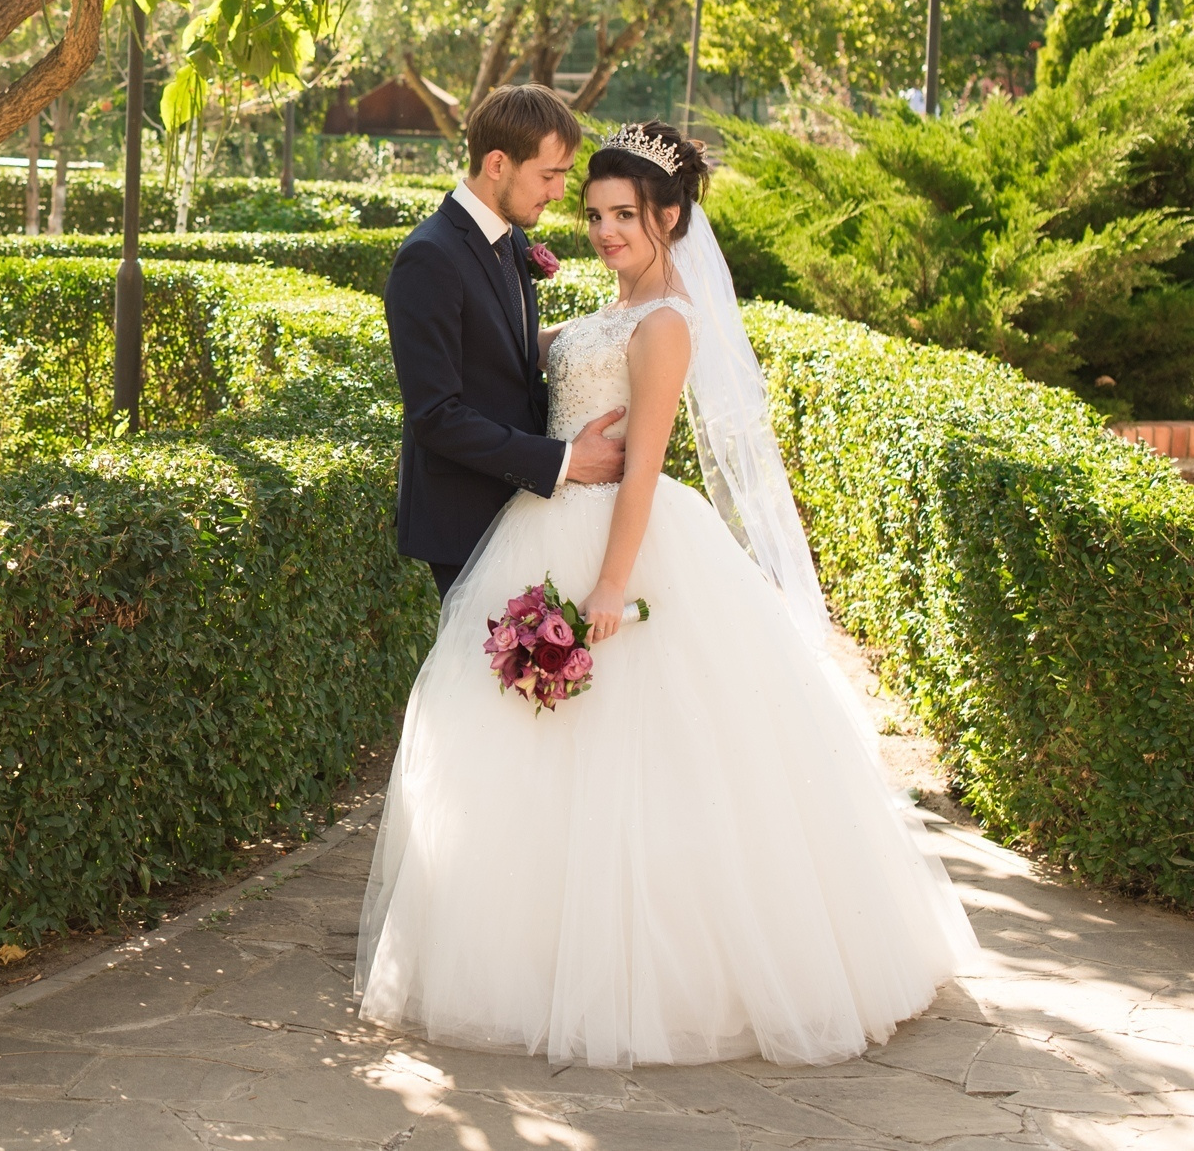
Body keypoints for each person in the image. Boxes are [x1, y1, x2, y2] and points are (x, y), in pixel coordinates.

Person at [356, 118, 976, 1069]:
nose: (602, 229)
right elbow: (523, 364)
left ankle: (652, 969)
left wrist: (610, 584)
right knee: (524, 745)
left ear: (672, 218)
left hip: (618, 547)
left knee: (644, 757)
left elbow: (640, 470)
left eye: (623, 216)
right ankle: (527, 945)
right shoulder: (602, 304)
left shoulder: (669, 321)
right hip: (539, 526)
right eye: (594, 209)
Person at [384, 86, 627, 602]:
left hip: (522, 509)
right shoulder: (429, 258)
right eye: (549, 174)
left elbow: (501, 353)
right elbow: (436, 415)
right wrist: (566, 462)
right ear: (497, 163)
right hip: (466, 519)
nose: (561, 192)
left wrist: (609, 332)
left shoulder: (509, 236)